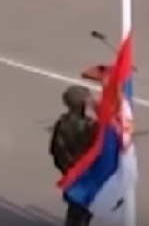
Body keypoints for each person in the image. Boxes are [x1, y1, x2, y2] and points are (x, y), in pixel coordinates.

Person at [50, 85, 97, 226]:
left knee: (76, 207)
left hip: (69, 171)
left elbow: (54, 149)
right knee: (83, 211)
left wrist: (66, 168)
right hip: (86, 174)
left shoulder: (61, 123)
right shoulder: (89, 126)